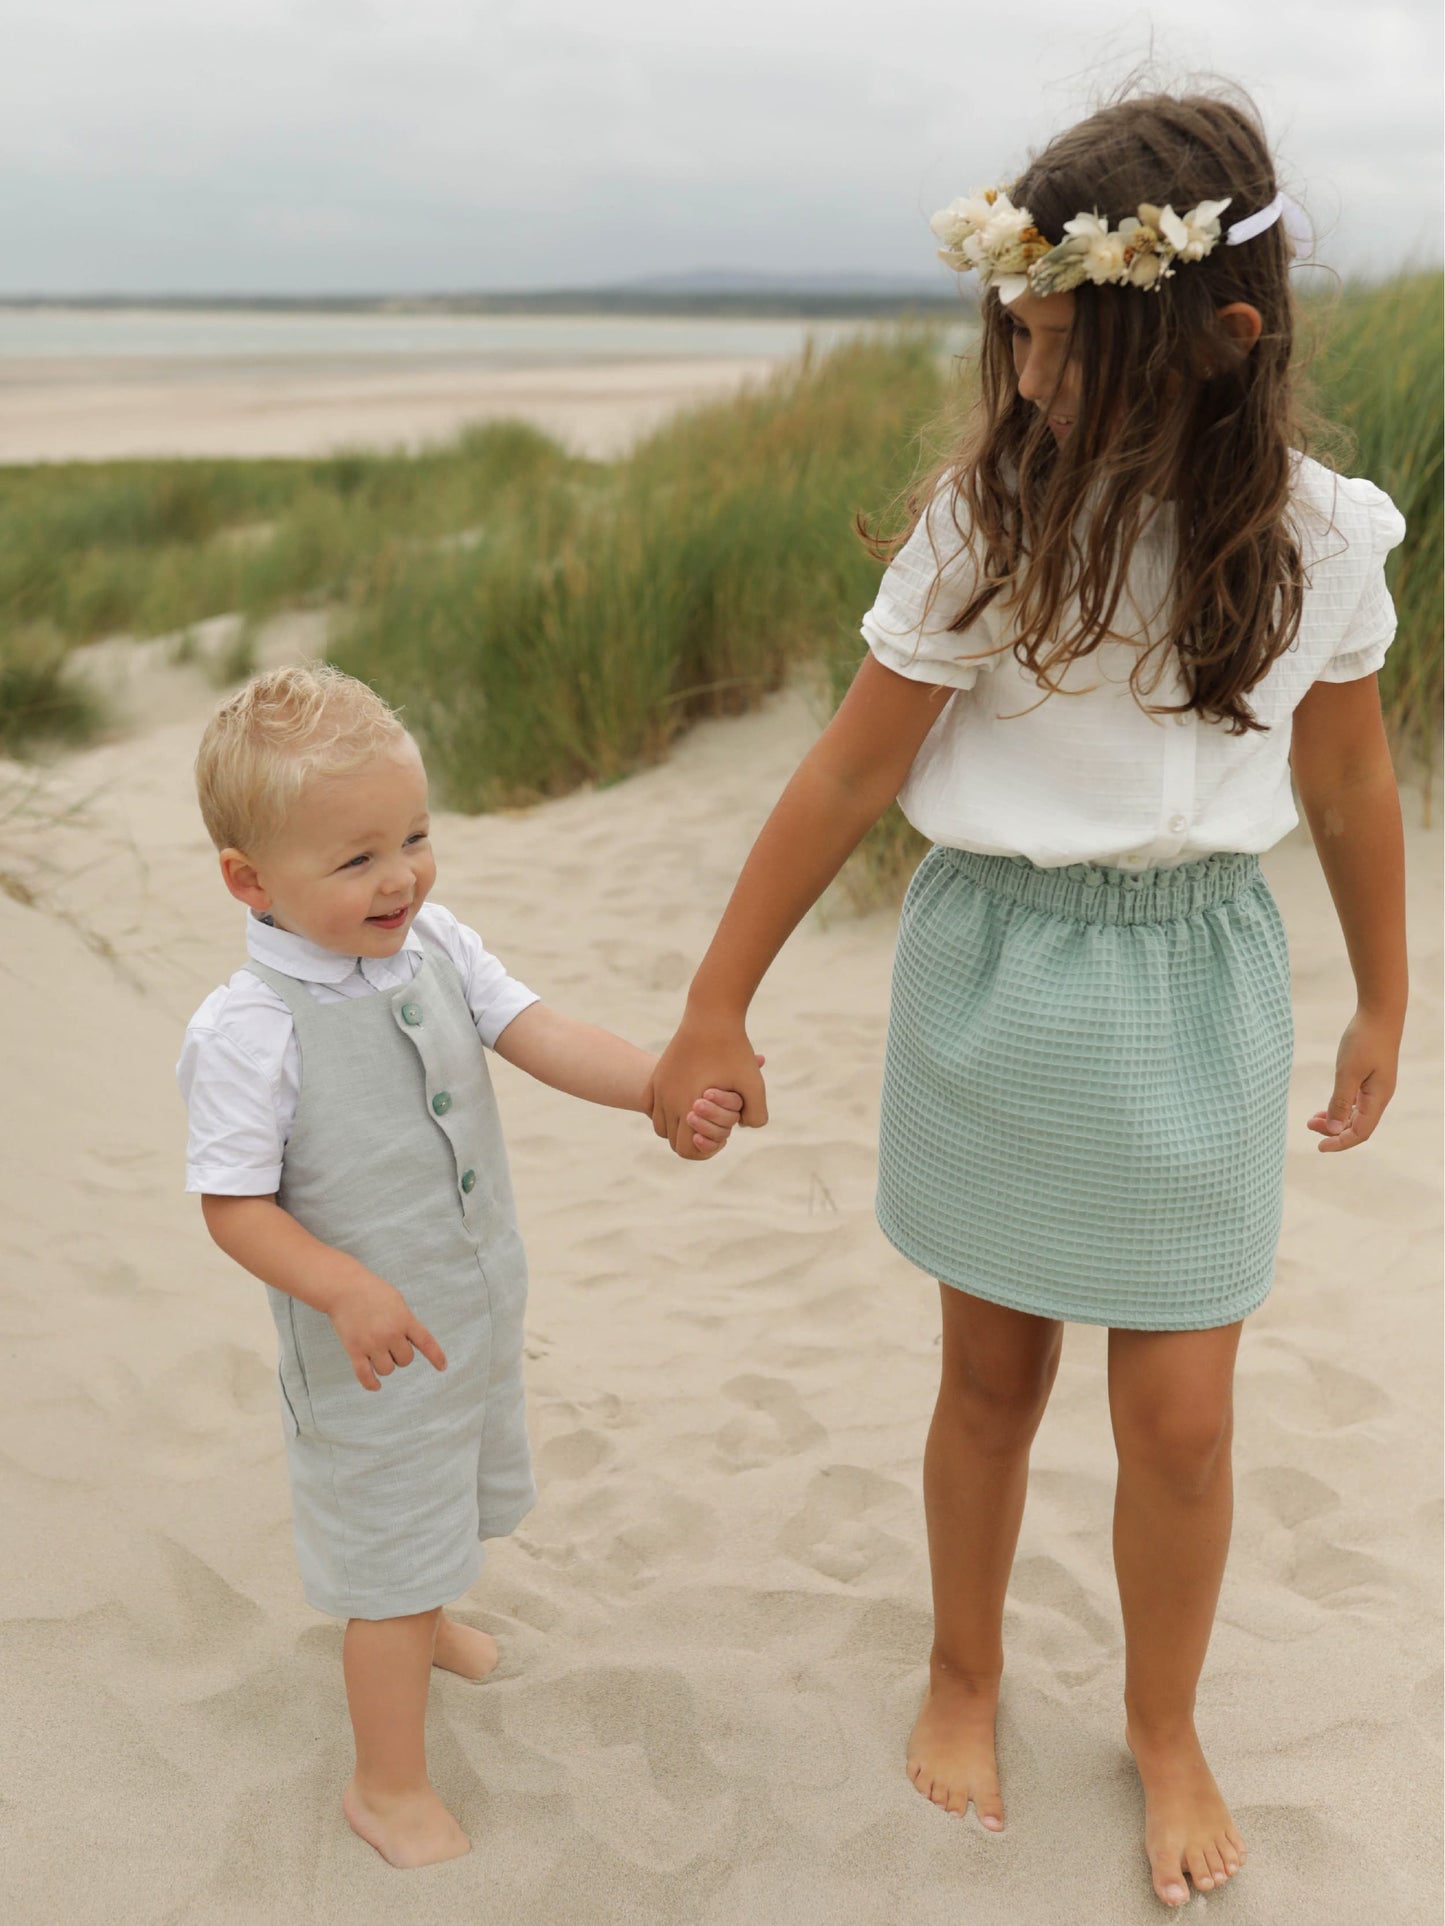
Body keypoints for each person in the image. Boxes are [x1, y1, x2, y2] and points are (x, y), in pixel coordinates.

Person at [645, 92, 1408, 1910]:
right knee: (990, 1374)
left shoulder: (1326, 531)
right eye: (1025, 340)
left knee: (1188, 1416)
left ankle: (1166, 1721)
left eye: (1076, 348)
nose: (1039, 380)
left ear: (1222, 336)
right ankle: (964, 1670)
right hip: (1000, 965)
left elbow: (1356, 783)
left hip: (1197, 978)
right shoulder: (988, 520)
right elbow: (840, 779)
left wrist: (1387, 999)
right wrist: (713, 1008)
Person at [178, 664, 746, 1870]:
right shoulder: (250, 1029)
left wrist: (654, 1084)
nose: (400, 878)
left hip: (471, 1309)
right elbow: (232, 1207)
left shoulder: (431, 942)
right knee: (386, 1543)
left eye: (415, 839)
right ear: (250, 881)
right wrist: (336, 1283)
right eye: (355, 860)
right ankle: (384, 1785)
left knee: (453, 1487)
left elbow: (535, 1032)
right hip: (366, 1352)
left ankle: (427, 1617)